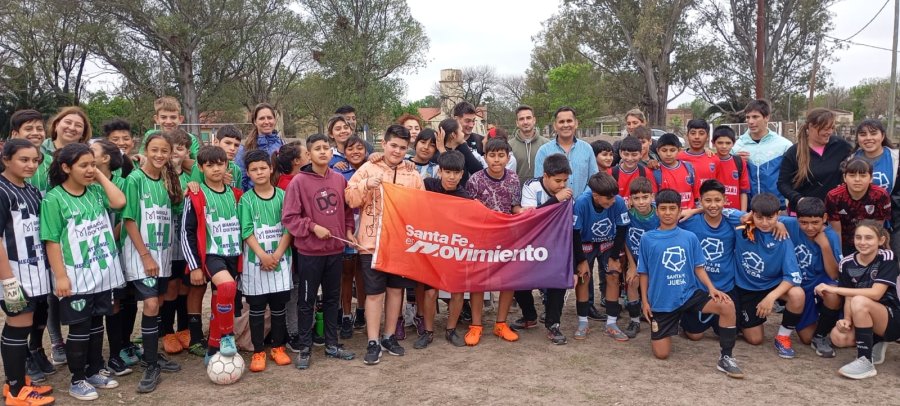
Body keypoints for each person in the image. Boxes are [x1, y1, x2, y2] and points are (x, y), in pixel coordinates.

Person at [40, 143, 126, 400]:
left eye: (93, 164)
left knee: (97, 323)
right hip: (75, 276)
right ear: (66, 167)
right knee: (79, 327)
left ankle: (94, 369)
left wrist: (98, 174)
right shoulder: (54, 199)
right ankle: (77, 379)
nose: (90, 170)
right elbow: (52, 241)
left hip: (102, 272)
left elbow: (119, 201)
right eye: (84, 166)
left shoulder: (96, 192)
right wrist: (61, 276)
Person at [638, 189, 743, 378]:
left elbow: (698, 267)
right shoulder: (647, 239)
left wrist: (712, 289)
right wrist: (645, 301)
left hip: (688, 294)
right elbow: (643, 273)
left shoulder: (689, 237)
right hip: (662, 301)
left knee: (727, 306)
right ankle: (670, 325)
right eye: (663, 209)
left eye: (672, 209)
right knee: (661, 354)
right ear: (657, 211)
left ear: (680, 211)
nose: (668, 213)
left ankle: (726, 357)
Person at [345, 125, 424, 365]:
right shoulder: (367, 168)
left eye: (403, 147)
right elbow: (349, 199)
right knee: (374, 292)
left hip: (400, 244)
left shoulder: (413, 174)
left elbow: (421, 207)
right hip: (371, 243)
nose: (398, 151)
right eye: (393, 146)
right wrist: (366, 184)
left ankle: (389, 336)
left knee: (395, 291)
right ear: (384, 142)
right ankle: (372, 340)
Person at [283, 134, 356, 369]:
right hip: (310, 253)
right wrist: (313, 227)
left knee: (333, 299)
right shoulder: (298, 182)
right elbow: (290, 218)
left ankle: (332, 345)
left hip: (335, 250)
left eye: (327, 147)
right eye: (317, 148)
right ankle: (304, 347)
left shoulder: (338, 179)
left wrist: (348, 231)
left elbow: (346, 212)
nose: (323, 152)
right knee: (307, 300)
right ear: (309, 154)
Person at [120, 133, 184, 393]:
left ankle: (152, 354)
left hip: (163, 253)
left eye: (164, 151)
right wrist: (145, 255)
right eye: (154, 150)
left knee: (157, 303)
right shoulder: (135, 179)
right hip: (141, 254)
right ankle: (149, 365)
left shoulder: (167, 180)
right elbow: (129, 219)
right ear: (145, 150)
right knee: (149, 303)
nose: (159, 155)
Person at [0, 140, 56, 405]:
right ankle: (15, 390)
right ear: (6, 159)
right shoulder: (1, 190)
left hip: (36, 271)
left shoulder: (31, 189)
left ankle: (20, 380)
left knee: (29, 324)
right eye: (24, 159)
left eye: (35, 160)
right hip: (14, 273)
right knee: (17, 326)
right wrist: (8, 280)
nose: (31, 165)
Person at [514, 153, 590, 344]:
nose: (562, 185)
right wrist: (555, 199)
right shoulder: (532, 186)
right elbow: (531, 219)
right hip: (532, 244)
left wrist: (578, 261)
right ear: (545, 175)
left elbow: (573, 231)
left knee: (558, 281)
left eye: (565, 180)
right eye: (557, 180)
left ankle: (553, 324)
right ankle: (529, 316)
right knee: (517, 279)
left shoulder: (568, 197)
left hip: (556, 247)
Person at [181, 145, 243, 364]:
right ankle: (227, 336)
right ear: (200, 167)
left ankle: (213, 345)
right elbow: (186, 231)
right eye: (210, 165)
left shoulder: (237, 195)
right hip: (211, 255)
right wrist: (195, 265)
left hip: (234, 254)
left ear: (227, 165)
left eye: (220, 164)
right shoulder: (196, 195)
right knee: (227, 287)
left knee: (222, 299)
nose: (216, 169)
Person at [817, 220, 900, 379]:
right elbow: (849, 296)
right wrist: (847, 320)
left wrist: (834, 289)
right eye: (858, 237)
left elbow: (876, 293)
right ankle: (876, 342)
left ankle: (865, 361)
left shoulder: (887, 257)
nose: (863, 242)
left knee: (860, 300)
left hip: (891, 318)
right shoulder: (846, 263)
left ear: (880, 240)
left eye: (869, 238)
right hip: (863, 315)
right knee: (838, 337)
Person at [463, 139, 523, 346]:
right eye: (492, 155)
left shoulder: (514, 179)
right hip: (481, 237)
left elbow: (515, 207)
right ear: (485, 156)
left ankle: (501, 323)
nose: (496, 160)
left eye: (501, 155)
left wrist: (527, 212)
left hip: (507, 238)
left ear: (508, 157)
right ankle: (476, 325)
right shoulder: (475, 180)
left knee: (508, 281)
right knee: (478, 282)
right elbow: (469, 211)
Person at [238, 150, 293, 372]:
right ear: (248, 173)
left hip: (280, 260)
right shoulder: (246, 200)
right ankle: (258, 350)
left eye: (263, 167)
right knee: (257, 308)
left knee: (279, 307)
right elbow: (246, 230)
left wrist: (277, 255)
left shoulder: (283, 196)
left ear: (271, 169)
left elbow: (289, 228)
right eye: (254, 169)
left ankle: (278, 348)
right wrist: (262, 255)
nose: (259, 172)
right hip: (255, 263)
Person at [734, 193, 805, 358]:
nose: (765, 223)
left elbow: (793, 276)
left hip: (772, 285)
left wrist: (771, 297)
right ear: (752, 214)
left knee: (797, 294)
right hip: (746, 288)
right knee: (755, 339)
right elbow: (718, 210)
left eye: (770, 218)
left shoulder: (783, 237)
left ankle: (783, 336)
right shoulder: (741, 227)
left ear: (778, 215)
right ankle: (742, 321)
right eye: (759, 218)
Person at [418, 151, 472, 348]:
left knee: (457, 292)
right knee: (430, 293)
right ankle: (428, 331)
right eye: (447, 172)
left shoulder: (465, 197)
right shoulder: (428, 186)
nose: (451, 177)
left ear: (462, 174)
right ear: (439, 171)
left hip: (455, 250)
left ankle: (451, 330)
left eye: (456, 173)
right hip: (431, 249)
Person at [677, 180, 742, 339]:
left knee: (738, 335)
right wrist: (693, 211)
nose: (713, 205)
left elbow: (757, 218)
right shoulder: (689, 221)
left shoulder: (733, 220)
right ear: (700, 200)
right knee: (694, 335)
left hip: (726, 285)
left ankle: (719, 318)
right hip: (699, 287)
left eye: (717, 200)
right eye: (708, 200)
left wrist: (779, 226)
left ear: (725, 200)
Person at [779, 197, 842, 356]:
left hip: (821, 284)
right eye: (804, 222)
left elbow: (834, 274)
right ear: (796, 219)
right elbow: (763, 216)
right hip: (800, 287)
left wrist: (825, 246)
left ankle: (821, 335)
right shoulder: (789, 223)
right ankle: (817, 326)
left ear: (825, 219)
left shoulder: (831, 236)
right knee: (806, 338)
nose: (809, 227)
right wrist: (778, 224)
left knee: (833, 293)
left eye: (815, 222)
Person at [574, 172, 631, 341]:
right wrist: (581, 260)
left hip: (609, 242)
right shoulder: (581, 203)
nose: (613, 201)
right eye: (608, 199)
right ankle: (583, 322)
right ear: (596, 196)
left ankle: (611, 323)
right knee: (584, 277)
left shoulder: (618, 201)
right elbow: (574, 232)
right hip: (586, 242)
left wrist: (615, 257)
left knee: (613, 276)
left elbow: (622, 228)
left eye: (614, 197)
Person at [160, 130, 202, 357]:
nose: (175, 153)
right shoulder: (158, 176)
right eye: (171, 148)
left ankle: (184, 328)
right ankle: (167, 331)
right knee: (171, 287)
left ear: (187, 152)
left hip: (185, 239)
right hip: (165, 240)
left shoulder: (190, 177)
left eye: (180, 149)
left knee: (186, 285)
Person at [778, 108, 852, 212]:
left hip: (835, 211)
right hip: (805, 213)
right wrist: (799, 199)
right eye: (825, 129)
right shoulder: (794, 152)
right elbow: (782, 184)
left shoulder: (841, 146)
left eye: (832, 128)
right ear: (811, 127)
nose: (829, 132)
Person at [337, 135, 370, 339]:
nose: (355, 152)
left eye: (360, 148)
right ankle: (346, 315)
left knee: (363, 274)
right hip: (347, 226)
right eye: (351, 149)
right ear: (344, 151)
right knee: (346, 274)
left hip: (368, 226)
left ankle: (362, 312)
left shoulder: (373, 168)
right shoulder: (338, 171)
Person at [731, 99, 792, 205]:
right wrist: (734, 161)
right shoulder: (737, 146)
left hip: (777, 208)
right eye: (748, 117)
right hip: (749, 208)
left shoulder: (784, 145)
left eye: (755, 117)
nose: (750, 121)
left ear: (767, 117)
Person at [825, 158, 891, 255]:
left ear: (871, 178)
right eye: (852, 175)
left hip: (870, 239)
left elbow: (878, 227)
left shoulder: (880, 195)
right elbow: (836, 231)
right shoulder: (833, 196)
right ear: (844, 177)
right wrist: (839, 255)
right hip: (844, 242)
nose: (857, 179)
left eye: (863, 175)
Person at [621, 177, 659, 338]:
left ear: (652, 197)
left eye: (645, 197)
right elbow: (626, 241)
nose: (641, 202)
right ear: (630, 199)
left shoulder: (659, 214)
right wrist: (631, 265)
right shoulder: (628, 215)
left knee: (656, 286)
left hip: (655, 260)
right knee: (632, 281)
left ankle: (657, 316)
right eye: (636, 198)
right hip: (636, 258)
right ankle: (635, 320)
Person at [533, 106, 599, 196]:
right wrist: (556, 199)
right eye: (561, 122)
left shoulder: (587, 149)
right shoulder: (544, 151)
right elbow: (539, 183)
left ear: (576, 123)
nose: (565, 125)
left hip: (582, 206)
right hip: (554, 207)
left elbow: (594, 179)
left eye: (569, 121)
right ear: (555, 126)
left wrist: (582, 200)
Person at [235, 103, 285, 191]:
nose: (266, 122)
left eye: (269, 118)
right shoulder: (244, 149)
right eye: (262, 118)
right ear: (255, 122)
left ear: (275, 120)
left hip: (279, 199)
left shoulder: (282, 145)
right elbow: (241, 182)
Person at [435, 117, 484, 187]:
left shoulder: (461, 149)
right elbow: (450, 165)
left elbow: (478, 171)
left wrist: (463, 144)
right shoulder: (438, 154)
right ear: (453, 135)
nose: (463, 134)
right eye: (461, 131)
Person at [852, 119, 897, 193]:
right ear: (857, 138)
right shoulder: (850, 159)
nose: (868, 138)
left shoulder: (896, 159)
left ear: (883, 136)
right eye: (863, 135)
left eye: (873, 133)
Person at [610, 136, 658, 205]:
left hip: (639, 214)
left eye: (634, 155)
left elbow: (653, 198)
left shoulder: (646, 172)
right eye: (626, 154)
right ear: (620, 153)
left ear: (641, 154)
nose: (630, 158)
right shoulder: (611, 173)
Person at [711, 126, 749, 211]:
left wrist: (742, 214)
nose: (724, 146)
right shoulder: (709, 161)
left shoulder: (739, 162)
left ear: (733, 143)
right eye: (720, 143)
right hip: (714, 212)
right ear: (713, 143)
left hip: (734, 213)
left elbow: (743, 191)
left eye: (728, 143)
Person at [509, 105, 549, 187]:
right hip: (517, 195)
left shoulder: (547, 145)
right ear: (517, 123)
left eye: (528, 118)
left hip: (543, 195)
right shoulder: (508, 146)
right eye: (521, 119)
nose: (525, 122)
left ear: (534, 120)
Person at [653, 133, 696, 208]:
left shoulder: (689, 168)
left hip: (690, 215)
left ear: (679, 150)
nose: (668, 154)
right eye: (664, 150)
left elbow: (697, 196)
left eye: (672, 150)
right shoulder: (656, 171)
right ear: (658, 151)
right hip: (668, 217)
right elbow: (654, 200)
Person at [679, 119, 717, 189]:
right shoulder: (677, 158)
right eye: (693, 133)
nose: (697, 137)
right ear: (687, 135)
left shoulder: (714, 159)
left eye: (701, 133)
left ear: (707, 137)